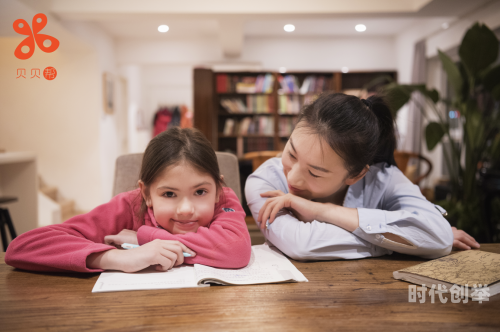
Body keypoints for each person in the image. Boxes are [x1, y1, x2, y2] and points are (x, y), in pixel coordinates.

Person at [245, 93, 479, 261]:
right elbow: (300, 244)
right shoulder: (264, 181)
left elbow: (436, 235)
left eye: (315, 172)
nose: (293, 179)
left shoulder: (384, 177)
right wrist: (404, 243)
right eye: (291, 153)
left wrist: (321, 211)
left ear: (356, 174)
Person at [6, 128, 251, 273]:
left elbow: (236, 250)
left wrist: (144, 236)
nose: (186, 209)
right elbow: (23, 247)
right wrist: (118, 258)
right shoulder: (130, 205)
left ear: (218, 189)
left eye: (200, 192)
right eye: (168, 194)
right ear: (146, 194)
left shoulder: (223, 199)